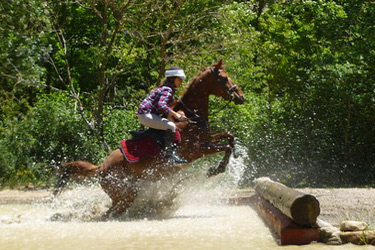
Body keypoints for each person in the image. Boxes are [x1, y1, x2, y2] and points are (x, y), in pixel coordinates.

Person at [136, 66, 187, 164]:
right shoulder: (168, 89)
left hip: (146, 114)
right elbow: (161, 105)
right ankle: (169, 154)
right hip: (146, 115)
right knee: (171, 126)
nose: (181, 81)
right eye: (179, 79)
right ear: (172, 79)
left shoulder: (166, 88)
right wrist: (176, 115)